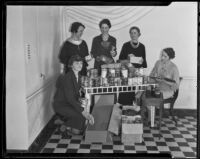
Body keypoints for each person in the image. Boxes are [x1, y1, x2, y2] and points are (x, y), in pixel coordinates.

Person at [53, 55, 94, 135]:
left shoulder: (78, 76)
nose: (80, 65)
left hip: (70, 104)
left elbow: (77, 93)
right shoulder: (67, 78)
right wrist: (84, 112)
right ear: (71, 65)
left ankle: (65, 125)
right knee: (79, 125)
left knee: (79, 124)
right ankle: (63, 124)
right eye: (77, 63)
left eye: (81, 63)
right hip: (62, 105)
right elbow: (70, 99)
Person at [118, 26, 147, 105]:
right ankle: (123, 111)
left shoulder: (142, 47)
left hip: (137, 74)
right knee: (125, 93)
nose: (133, 35)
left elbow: (144, 64)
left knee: (135, 94)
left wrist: (141, 61)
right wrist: (128, 59)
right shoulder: (126, 45)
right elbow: (120, 61)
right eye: (131, 33)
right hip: (126, 74)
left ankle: (132, 111)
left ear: (139, 34)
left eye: (135, 33)